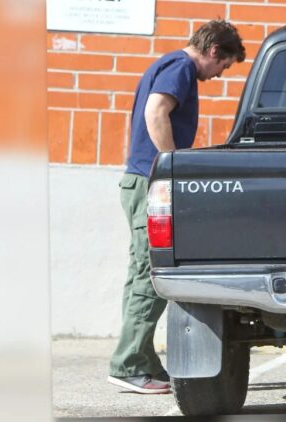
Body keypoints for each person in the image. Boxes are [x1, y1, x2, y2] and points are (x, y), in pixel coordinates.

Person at [106, 20, 245, 394]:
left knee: (141, 274)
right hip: (150, 182)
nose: (219, 75)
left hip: (139, 181)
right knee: (152, 275)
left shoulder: (167, 63)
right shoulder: (182, 68)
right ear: (214, 51)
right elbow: (156, 112)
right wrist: (173, 165)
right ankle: (128, 364)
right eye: (224, 66)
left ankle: (142, 360)